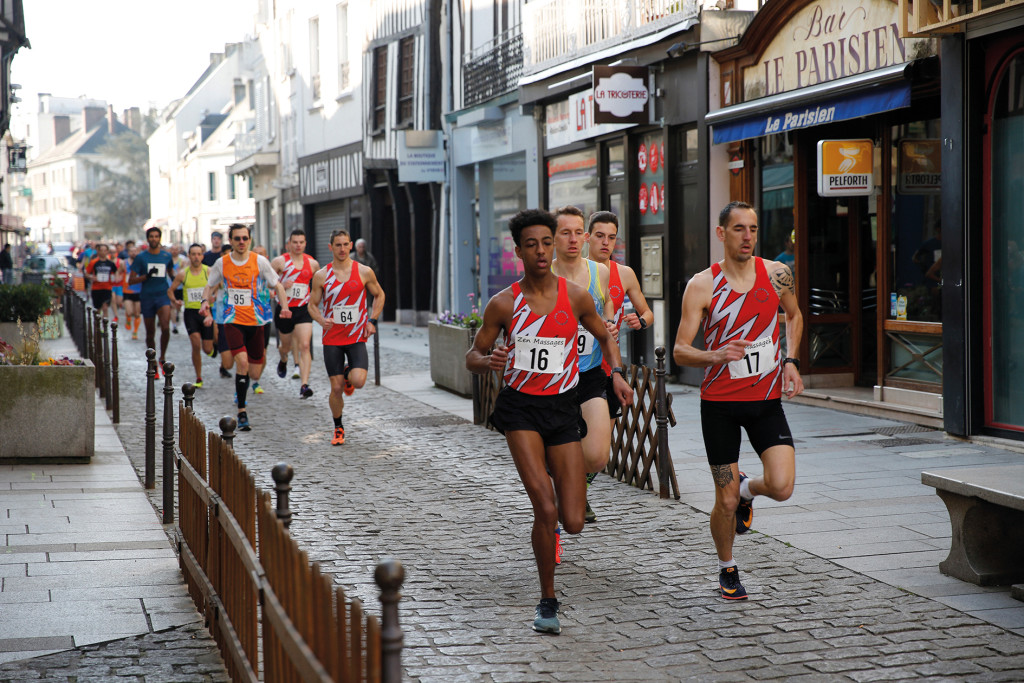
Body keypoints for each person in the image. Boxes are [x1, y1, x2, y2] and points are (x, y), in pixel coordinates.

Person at [466, 208, 632, 635]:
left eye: (546, 242)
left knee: (572, 520)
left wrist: (614, 374)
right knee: (545, 506)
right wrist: (490, 360)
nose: (540, 251)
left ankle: (555, 518)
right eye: (532, 244)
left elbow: (604, 334)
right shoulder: (503, 303)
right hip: (520, 408)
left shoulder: (576, 296)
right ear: (519, 250)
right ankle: (548, 600)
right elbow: (472, 356)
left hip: (562, 408)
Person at [672, 201, 804, 601]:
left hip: (765, 400)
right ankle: (727, 568)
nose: (747, 236)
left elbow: (794, 316)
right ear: (721, 234)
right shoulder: (703, 285)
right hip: (719, 406)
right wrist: (715, 355)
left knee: (782, 487)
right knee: (724, 500)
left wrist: (791, 361)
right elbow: (679, 350)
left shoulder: (777, 274)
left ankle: (750, 489)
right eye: (739, 229)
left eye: (753, 229)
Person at [585, 210, 655, 516]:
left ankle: (579, 489)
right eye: (599, 236)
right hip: (572, 368)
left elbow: (648, 313)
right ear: (587, 237)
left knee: (600, 446)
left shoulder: (623, 273)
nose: (605, 242)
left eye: (611, 237)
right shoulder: (571, 272)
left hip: (607, 368)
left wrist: (637, 320)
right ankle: (569, 491)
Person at [550, 206, 617, 526]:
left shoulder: (599, 272)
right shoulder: (543, 274)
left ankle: (574, 485)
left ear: (585, 236)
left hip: (589, 373)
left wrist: (611, 327)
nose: (573, 239)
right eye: (566, 232)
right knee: (556, 451)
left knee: (598, 454)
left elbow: (607, 316)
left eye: (579, 232)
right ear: (553, 238)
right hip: (550, 377)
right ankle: (566, 491)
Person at [198, 224, 291, 432]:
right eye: (237, 238)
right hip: (232, 320)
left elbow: (278, 285)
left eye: (245, 238)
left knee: (255, 371)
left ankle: (246, 384)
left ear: (250, 240)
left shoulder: (260, 261)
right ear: (230, 241)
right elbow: (210, 285)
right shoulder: (222, 263)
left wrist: (285, 307)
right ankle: (242, 412)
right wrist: (205, 301)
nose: (241, 242)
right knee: (241, 363)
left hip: (257, 322)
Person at [308, 229, 385, 446]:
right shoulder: (322, 276)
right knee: (336, 388)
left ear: (351, 245)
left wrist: (373, 320)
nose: (342, 249)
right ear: (331, 247)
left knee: (358, 381)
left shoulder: (364, 271)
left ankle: (347, 372)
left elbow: (379, 294)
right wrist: (321, 320)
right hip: (332, 338)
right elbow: (312, 305)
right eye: (337, 245)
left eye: (345, 244)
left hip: (356, 336)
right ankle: (338, 427)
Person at [271, 229, 320, 398]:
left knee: (305, 345)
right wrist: (281, 285)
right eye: (295, 242)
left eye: (301, 242)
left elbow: (318, 285)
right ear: (289, 244)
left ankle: (304, 385)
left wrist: (316, 302)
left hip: (303, 310)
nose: (298, 245)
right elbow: (267, 285)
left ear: (305, 244)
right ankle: (284, 359)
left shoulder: (313, 264)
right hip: (284, 309)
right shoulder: (279, 262)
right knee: (285, 347)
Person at [128, 228, 176, 373]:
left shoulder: (166, 256)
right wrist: (146, 276)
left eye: (156, 236)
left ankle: (162, 356)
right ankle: (153, 359)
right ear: (148, 239)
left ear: (160, 238)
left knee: (166, 327)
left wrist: (179, 285)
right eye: (151, 236)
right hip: (147, 296)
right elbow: (131, 280)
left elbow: (171, 273)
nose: (154, 239)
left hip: (163, 295)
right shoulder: (141, 257)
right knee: (150, 332)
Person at [168, 244, 214, 387]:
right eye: (193, 254)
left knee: (207, 349)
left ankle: (214, 347)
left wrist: (213, 296)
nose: (196, 257)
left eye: (198, 254)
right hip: (191, 313)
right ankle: (199, 377)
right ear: (188, 256)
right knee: (195, 344)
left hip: (206, 312)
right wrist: (176, 301)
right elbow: (170, 290)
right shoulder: (183, 273)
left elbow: (219, 285)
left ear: (202, 256)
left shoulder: (209, 272)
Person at [84, 244, 124, 320]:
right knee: (98, 309)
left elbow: (116, 272)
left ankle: (104, 326)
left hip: (107, 288)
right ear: (98, 251)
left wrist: (116, 278)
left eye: (105, 250)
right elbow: (86, 274)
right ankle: (98, 325)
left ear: (107, 251)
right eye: (101, 250)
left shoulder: (110, 263)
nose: (103, 252)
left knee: (105, 307)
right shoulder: (94, 262)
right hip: (96, 289)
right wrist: (92, 277)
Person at [122, 244, 142, 339]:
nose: (133, 253)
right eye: (131, 251)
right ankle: (128, 318)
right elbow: (118, 272)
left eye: (135, 251)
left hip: (138, 290)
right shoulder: (124, 263)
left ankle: (135, 331)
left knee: (137, 313)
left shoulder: (141, 263)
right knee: (129, 312)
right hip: (127, 290)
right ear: (128, 253)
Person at [170, 244, 187, 334]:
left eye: (176, 249)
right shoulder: (168, 260)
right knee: (172, 306)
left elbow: (184, 271)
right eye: (173, 249)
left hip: (180, 286)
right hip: (170, 285)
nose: (174, 251)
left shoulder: (182, 260)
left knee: (178, 305)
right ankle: (174, 325)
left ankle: (178, 314)